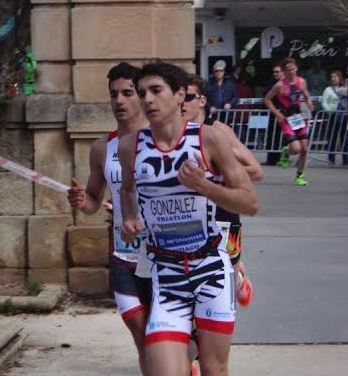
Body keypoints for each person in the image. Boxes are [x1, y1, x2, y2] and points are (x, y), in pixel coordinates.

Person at [119, 61, 259, 376]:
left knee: (213, 369)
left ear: (180, 94)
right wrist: (130, 218)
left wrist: (204, 185)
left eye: (156, 90)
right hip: (166, 274)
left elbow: (249, 202)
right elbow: (128, 190)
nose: (148, 100)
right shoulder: (131, 147)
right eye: (142, 93)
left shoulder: (208, 139)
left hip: (211, 269)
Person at [67, 63, 151, 375]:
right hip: (122, 256)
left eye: (128, 93)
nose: (119, 100)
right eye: (114, 94)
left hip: (162, 256)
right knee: (141, 336)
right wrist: (82, 201)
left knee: (165, 338)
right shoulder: (103, 148)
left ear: (141, 97)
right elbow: (91, 201)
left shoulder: (163, 142)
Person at [182, 73, 263, 307]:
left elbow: (256, 171)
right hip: (192, 219)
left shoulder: (218, 132)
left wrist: (219, 171)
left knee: (227, 276)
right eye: (180, 98)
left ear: (202, 101)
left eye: (189, 97)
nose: (183, 104)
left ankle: (238, 276)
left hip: (224, 216)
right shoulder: (174, 134)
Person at [264, 57, 314, 186]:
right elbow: (267, 99)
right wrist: (277, 113)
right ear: (284, 72)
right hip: (286, 119)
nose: (291, 72)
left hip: (298, 118)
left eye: (293, 69)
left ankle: (299, 175)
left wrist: (309, 103)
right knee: (296, 148)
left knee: (304, 148)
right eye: (288, 70)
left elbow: (307, 95)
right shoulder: (279, 85)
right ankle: (286, 151)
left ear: (296, 68)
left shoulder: (301, 81)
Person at [322, 70, 348, 166]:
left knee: (344, 138)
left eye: (335, 76)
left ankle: (345, 160)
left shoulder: (345, 88)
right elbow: (324, 102)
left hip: (344, 115)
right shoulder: (328, 89)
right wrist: (331, 111)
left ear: (340, 77)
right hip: (333, 116)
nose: (333, 78)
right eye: (332, 77)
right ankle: (331, 159)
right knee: (332, 138)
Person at [262, 64, 284, 166]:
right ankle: (271, 159)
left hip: (285, 114)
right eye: (274, 72)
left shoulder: (286, 83)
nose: (275, 74)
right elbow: (266, 95)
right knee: (271, 136)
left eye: (277, 72)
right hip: (273, 112)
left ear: (283, 72)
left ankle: (282, 159)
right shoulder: (272, 82)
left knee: (284, 137)